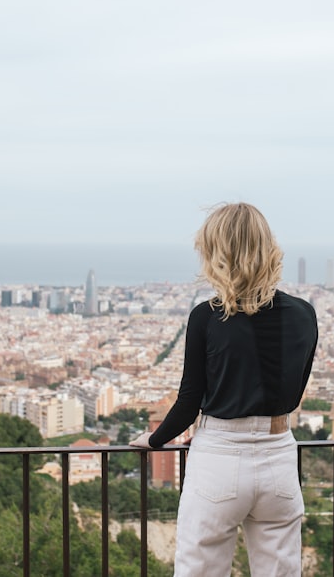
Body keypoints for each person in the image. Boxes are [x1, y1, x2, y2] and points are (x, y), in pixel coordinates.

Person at [131, 202, 318, 576]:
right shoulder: (304, 314)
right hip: (279, 455)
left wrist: (155, 440)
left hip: (219, 457)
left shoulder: (207, 317)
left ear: (217, 253)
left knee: (199, 569)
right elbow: (294, 394)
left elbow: (188, 402)